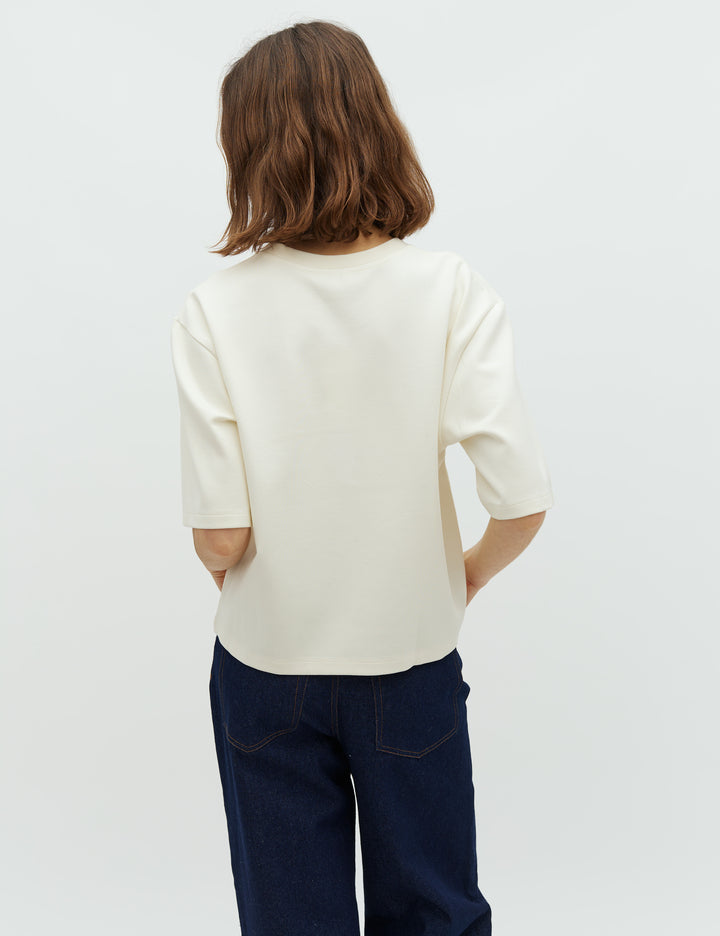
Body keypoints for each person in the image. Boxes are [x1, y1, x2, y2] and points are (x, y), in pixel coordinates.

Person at [170, 19, 554, 936]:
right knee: (435, 909)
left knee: (290, 918)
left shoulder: (213, 311)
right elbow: (521, 500)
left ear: (249, 151)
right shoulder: (451, 290)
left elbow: (220, 538)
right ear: (378, 126)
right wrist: (465, 574)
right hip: (408, 659)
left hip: (267, 665)